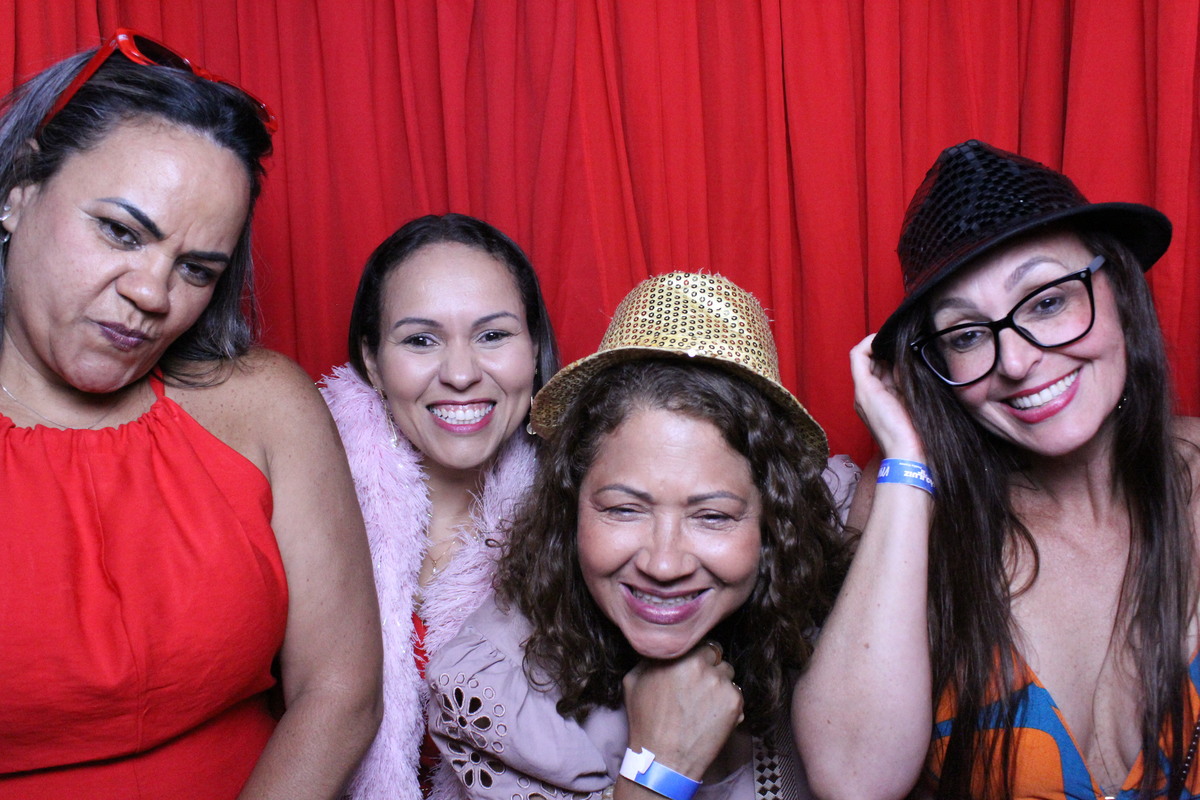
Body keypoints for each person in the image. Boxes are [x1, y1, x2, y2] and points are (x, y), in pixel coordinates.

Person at [0, 29, 382, 798]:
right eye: (120, 231)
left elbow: (340, 691)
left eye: (197, 269)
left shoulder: (267, 405)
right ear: (18, 189)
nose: (152, 292)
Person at [794, 140, 1200, 800]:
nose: (1013, 362)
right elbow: (853, 779)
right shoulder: (912, 504)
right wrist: (907, 456)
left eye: (1047, 301)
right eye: (966, 335)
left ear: (1121, 292)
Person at [426, 271, 858, 800]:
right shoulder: (494, 695)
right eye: (624, 510)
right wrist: (661, 764)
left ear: (776, 520)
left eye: (713, 516)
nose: (663, 564)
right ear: (570, 505)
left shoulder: (838, 560)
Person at [320, 213, 561, 800]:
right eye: (421, 340)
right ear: (372, 361)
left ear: (534, 350)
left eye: (493, 335)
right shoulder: (308, 501)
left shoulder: (589, 516)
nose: (460, 374)